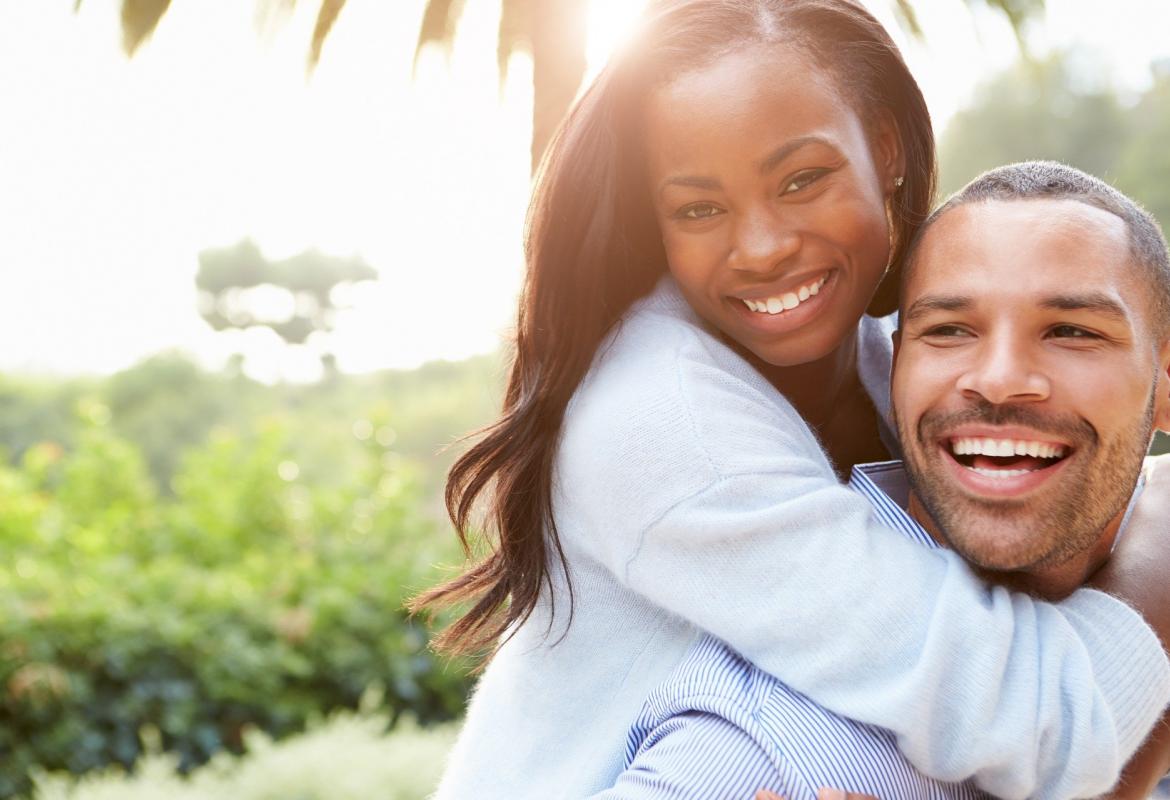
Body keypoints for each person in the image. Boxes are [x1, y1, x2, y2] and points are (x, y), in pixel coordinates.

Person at [412, 2, 1170, 797]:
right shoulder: (663, 419)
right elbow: (1037, 722)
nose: (764, 247)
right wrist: (1160, 541)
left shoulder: (901, 365)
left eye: (803, 179)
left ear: (885, 148)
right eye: (699, 208)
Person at [595, 161, 1170, 800]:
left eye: (1071, 331)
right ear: (896, 370)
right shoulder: (771, 740)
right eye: (949, 330)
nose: (1000, 377)